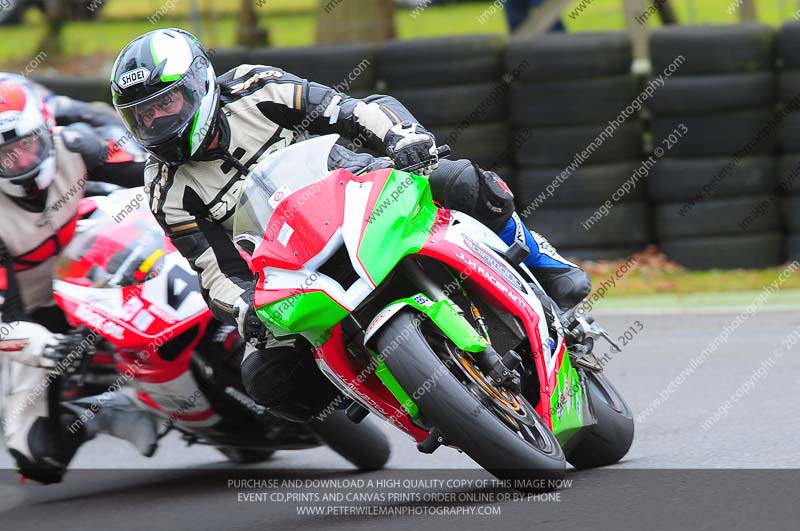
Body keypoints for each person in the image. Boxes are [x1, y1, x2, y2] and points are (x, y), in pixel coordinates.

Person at [110, 28, 590, 422]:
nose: (156, 121)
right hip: (292, 268)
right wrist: (244, 311)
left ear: (198, 85)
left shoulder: (256, 89)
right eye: (142, 115)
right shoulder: (165, 189)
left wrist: (404, 139)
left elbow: (345, 109)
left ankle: (547, 264)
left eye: (165, 104)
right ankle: (378, 390)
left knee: (460, 179)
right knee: (267, 379)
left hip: (362, 194)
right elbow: (213, 268)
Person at [0, 74, 158, 484]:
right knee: (36, 457)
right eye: (4, 156)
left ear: (45, 132)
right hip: (38, 315)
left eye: (27, 145)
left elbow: (157, 173)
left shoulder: (76, 144)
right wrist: (47, 347)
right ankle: (106, 411)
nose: (21, 162)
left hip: (92, 251)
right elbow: (5, 320)